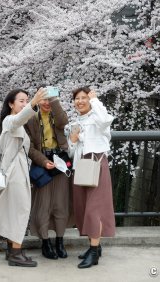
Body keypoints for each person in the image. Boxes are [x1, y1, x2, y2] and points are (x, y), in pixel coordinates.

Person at [0, 87, 47, 267]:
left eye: (26, 100)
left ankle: (13, 250)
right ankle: (15, 253)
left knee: (14, 210)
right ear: (11, 104)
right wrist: (34, 103)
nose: (25, 103)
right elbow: (19, 119)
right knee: (20, 210)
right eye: (21, 101)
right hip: (14, 172)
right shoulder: (10, 120)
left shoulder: (16, 123)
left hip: (16, 170)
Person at [66, 87, 116, 269]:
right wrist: (72, 140)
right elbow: (72, 152)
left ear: (90, 99)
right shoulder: (75, 122)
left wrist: (95, 100)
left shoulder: (98, 117)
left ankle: (94, 253)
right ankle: (95, 246)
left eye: (84, 98)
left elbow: (104, 120)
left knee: (94, 209)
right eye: (77, 98)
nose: (80, 101)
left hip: (96, 163)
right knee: (83, 207)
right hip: (81, 165)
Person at [25, 94, 71, 260]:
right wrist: (43, 161)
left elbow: (63, 121)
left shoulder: (56, 115)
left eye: (49, 99)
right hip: (42, 164)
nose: (46, 102)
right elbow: (29, 147)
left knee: (61, 203)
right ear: (37, 100)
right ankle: (45, 241)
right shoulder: (30, 119)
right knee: (43, 204)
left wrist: (54, 101)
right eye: (43, 99)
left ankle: (60, 240)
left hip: (60, 163)